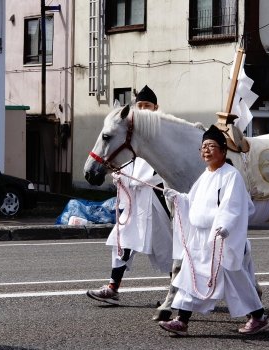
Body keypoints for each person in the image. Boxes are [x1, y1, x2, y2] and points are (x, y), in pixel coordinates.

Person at [158, 125, 269, 336]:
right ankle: (181, 320)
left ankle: (258, 316)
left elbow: (233, 206)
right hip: (200, 239)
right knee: (191, 276)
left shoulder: (231, 175)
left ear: (224, 151)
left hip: (221, 238)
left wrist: (224, 227)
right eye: (203, 147)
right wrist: (179, 199)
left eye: (211, 146)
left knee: (235, 279)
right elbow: (193, 202)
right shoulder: (205, 176)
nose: (206, 150)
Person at [86, 85, 172, 304]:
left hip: (156, 199)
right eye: (140, 106)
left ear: (156, 108)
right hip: (133, 200)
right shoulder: (129, 133)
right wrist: (120, 176)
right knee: (122, 240)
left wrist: (148, 180)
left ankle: (177, 292)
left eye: (147, 106)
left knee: (166, 245)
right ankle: (113, 287)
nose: (143, 109)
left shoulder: (163, 133)